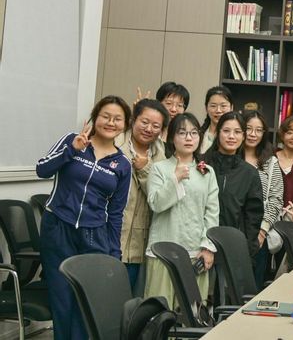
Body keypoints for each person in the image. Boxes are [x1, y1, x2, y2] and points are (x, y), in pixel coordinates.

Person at [37, 95, 132, 340]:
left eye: (117, 119)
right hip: (58, 227)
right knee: (62, 297)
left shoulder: (122, 164)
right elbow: (42, 169)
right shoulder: (72, 140)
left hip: (94, 234)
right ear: (95, 117)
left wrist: (114, 253)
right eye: (105, 116)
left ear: (124, 125)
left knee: (86, 299)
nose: (110, 122)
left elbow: (116, 213)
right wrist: (72, 150)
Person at [145, 113, 219, 309]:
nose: (188, 138)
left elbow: (212, 213)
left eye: (194, 133)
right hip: (163, 251)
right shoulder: (159, 168)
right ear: (172, 138)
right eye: (182, 133)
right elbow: (156, 204)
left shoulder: (207, 172)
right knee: (160, 312)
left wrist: (208, 248)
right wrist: (175, 178)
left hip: (196, 253)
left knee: (193, 313)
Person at [118, 99, 169, 291]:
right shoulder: (115, 145)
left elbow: (159, 197)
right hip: (111, 235)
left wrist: (145, 169)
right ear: (133, 120)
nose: (149, 129)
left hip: (139, 241)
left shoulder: (161, 155)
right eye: (144, 122)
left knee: (129, 295)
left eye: (156, 125)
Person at [203, 111, 264, 257]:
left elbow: (253, 217)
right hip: (202, 243)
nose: (231, 136)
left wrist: (248, 249)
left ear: (243, 136)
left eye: (237, 132)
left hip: (234, 246)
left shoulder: (249, 173)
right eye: (226, 131)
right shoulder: (203, 165)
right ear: (218, 133)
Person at [242, 110, 284, 285]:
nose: (253, 134)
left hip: (258, 234)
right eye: (248, 128)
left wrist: (262, 231)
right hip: (232, 229)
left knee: (254, 285)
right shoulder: (231, 156)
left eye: (258, 130)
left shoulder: (270, 162)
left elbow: (276, 199)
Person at [199, 85, 233, 154]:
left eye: (223, 106)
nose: (218, 110)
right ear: (206, 108)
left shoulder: (235, 137)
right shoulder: (198, 135)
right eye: (213, 106)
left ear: (231, 108)